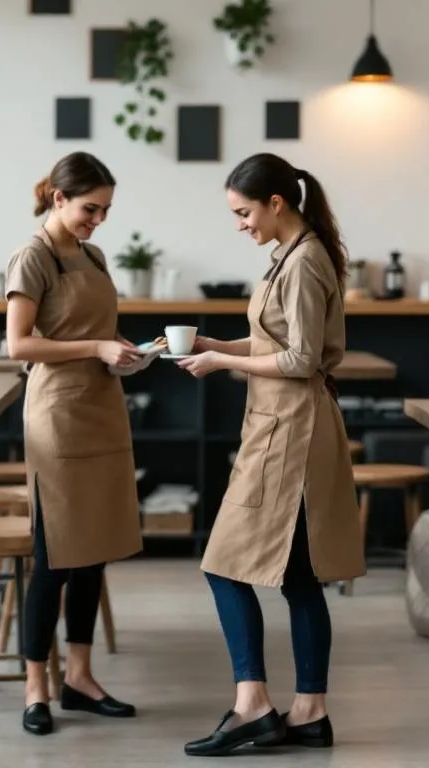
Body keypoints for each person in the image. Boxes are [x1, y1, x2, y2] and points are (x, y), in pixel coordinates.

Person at [175, 153, 366, 757]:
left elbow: (301, 360)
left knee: (223, 564)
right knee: (299, 576)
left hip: (293, 433)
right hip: (281, 426)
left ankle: (253, 705)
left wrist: (219, 362)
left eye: (243, 213)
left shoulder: (304, 262)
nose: (240, 224)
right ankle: (309, 713)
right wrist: (213, 344)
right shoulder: (291, 254)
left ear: (276, 203)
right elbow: (274, 341)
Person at [3, 151, 144, 736]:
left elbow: (96, 331)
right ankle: (36, 686)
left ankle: (80, 678)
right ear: (59, 199)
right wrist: (95, 348)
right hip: (58, 415)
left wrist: (124, 350)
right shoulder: (33, 256)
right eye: (91, 208)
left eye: (106, 210)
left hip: (102, 407)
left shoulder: (93, 255)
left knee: (94, 548)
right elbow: (19, 345)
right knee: (55, 555)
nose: (98, 220)